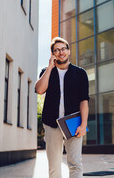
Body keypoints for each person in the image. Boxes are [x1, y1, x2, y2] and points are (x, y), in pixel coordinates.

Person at [35, 37, 89, 178]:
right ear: (53, 54)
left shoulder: (80, 73)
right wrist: (49, 67)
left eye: (63, 49)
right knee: (54, 166)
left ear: (69, 51)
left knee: (75, 164)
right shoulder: (47, 71)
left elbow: (84, 101)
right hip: (52, 124)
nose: (60, 52)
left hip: (73, 123)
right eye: (56, 50)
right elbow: (39, 90)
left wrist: (83, 125)